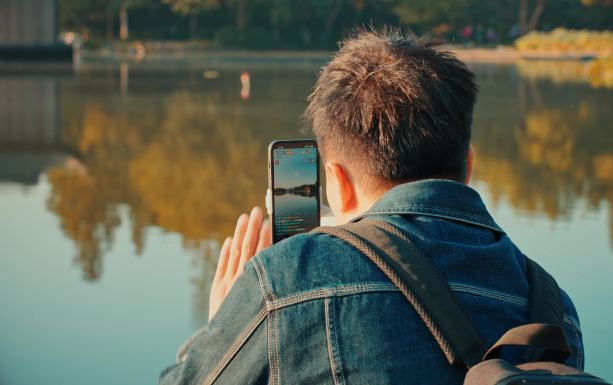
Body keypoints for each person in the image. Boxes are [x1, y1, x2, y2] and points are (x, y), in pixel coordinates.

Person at [159, 28, 584, 385]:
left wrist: (219, 324)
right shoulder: (553, 309)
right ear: (468, 164)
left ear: (338, 183)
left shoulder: (287, 281)